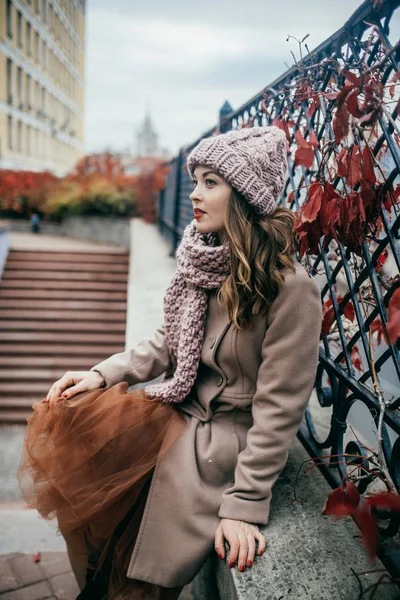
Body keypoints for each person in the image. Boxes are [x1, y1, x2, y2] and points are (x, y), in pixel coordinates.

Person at [17, 126, 323, 600]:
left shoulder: (290, 289)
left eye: (210, 182)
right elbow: (169, 340)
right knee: (80, 472)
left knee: (142, 576)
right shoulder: (201, 259)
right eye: (195, 180)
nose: (194, 195)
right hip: (176, 413)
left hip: (221, 445)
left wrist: (244, 505)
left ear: (244, 195)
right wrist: (102, 374)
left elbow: (280, 410)